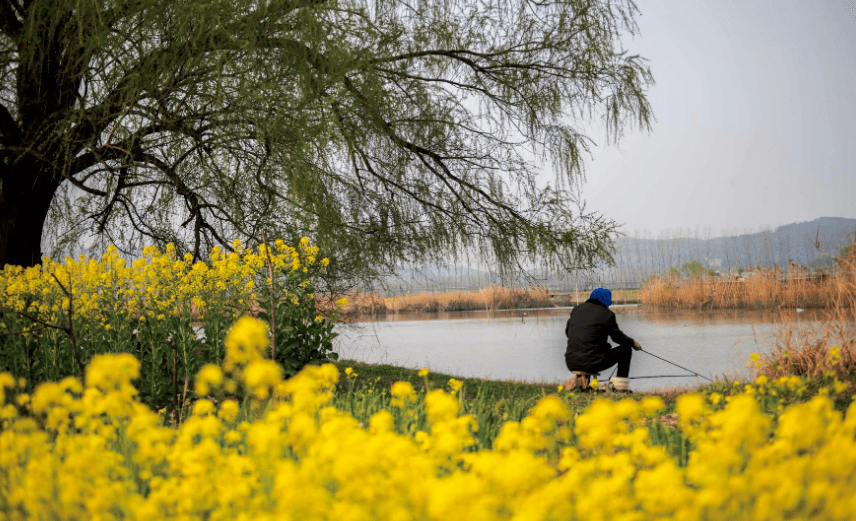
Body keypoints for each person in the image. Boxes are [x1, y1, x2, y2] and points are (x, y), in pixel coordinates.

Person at [564, 288, 641, 392]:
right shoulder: (607, 314)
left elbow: (567, 332)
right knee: (626, 350)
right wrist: (632, 343)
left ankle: (582, 385)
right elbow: (617, 338)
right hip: (593, 362)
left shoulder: (576, 310)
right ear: (605, 299)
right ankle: (620, 387)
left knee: (588, 349)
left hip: (571, 361)